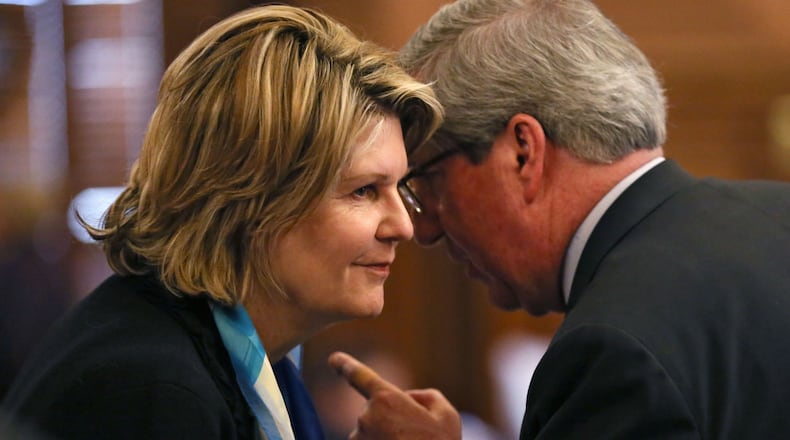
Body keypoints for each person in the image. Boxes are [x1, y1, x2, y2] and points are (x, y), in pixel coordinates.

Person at [328, 0, 790, 438]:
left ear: (523, 153)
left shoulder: (611, 351)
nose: (423, 229)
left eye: (428, 182)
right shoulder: (779, 214)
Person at [1, 4, 442, 440]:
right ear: (251, 195)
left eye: (399, 187)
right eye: (364, 190)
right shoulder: (152, 392)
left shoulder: (261, 368)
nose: (403, 225)